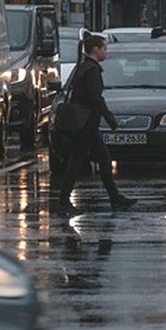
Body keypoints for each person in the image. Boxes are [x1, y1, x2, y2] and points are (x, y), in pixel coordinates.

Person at [57, 31, 137, 216]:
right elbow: (96, 98)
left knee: (102, 159)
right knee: (77, 162)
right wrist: (112, 122)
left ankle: (116, 199)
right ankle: (64, 201)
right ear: (95, 50)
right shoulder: (91, 70)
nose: (106, 53)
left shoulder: (83, 67)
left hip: (86, 123)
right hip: (86, 124)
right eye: (104, 49)